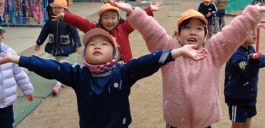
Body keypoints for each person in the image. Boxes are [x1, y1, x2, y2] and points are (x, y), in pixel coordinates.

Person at [108, 0, 265, 128]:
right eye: (187, 27)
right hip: (176, 122)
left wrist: (252, 15)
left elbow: (232, 33)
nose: (193, 32)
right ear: (177, 34)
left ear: (206, 35)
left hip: (204, 122)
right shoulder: (169, 52)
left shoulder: (214, 52)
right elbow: (152, 31)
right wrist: (133, 12)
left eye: (199, 28)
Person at [0, 28, 207, 128]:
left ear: (115, 54)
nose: (97, 46)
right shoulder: (78, 75)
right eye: (91, 44)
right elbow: (50, 67)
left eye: (104, 43)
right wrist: (16, 59)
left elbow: (149, 61)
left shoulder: (122, 72)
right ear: (85, 53)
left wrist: (177, 53)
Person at [52, 2, 161, 63]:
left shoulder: (124, 28)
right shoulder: (95, 30)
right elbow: (81, 22)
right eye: (106, 18)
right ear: (100, 19)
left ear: (119, 18)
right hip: (104, 64)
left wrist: (149, 10)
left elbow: (137, 19)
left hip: (122, 63)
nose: (109, 21)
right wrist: (65, 16)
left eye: (113, 17)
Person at [224, 24, 265, 128]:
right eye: (251, 31)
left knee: (247, 123)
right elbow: (247, 72)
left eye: (254, 31)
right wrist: (253, 61)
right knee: (237, 124)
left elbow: (258, 61)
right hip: (237, 97)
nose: (254, 34)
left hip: (249, 95)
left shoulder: (250, 49)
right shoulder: (236, 54)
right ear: (240, 35)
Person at [35, 0, 82, 95]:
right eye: (54, 8)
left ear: (64, 9)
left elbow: (74, 33)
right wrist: (39, 43)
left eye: (59, 8)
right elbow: (44, 32)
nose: (56, 10)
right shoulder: (50, 20)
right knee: (58, 62)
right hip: (54, 47)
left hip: (64, 47)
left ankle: (58, 84)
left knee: (60, 64)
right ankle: (66, 77)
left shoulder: (68, 20)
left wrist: (78, 45)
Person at [0, 26, 34, 128]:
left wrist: (27, 89)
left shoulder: (9, 53)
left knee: (6, 124)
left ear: (2, 37)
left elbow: (19, 73)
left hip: (6, 102)